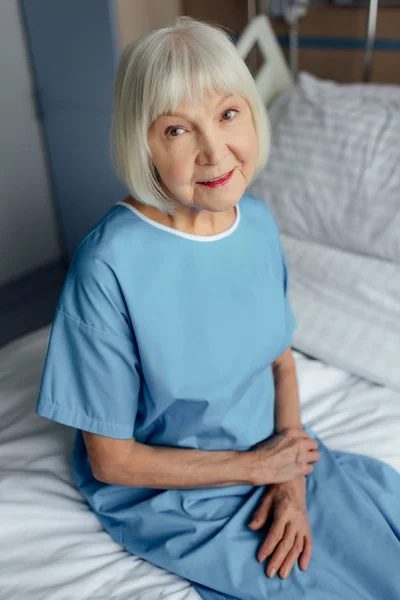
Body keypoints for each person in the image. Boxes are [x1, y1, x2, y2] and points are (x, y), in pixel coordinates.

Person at [36, 16, 400, 600]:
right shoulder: (108, 264)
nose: (214, 150)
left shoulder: (255, 221)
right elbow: (113, 461)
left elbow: (281, 363)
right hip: (176, 493)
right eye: (178, 130)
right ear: (143, 143)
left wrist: (290, 478)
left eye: (228, 114)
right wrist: (257, 471)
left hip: (278, 453)